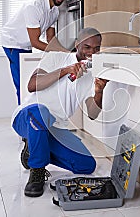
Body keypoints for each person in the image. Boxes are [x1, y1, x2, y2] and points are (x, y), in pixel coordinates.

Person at [11, 27, 108, 197]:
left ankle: (33, 149)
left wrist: (99, 91)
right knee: (41, 112)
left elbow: (93, 114)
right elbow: (32, 85)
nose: (92, 53)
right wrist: (65, 70)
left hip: (55, 128)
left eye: (97, 48)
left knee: (86, 165)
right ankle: (37, 171)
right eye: (87, 47)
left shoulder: (92, 73)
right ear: (77, 44)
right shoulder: (56, 57)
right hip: (28, 116)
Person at [2, 0, 76, 105]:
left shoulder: (54, 11)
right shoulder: (34, 7)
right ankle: (23, 117)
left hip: (26, 44)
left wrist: (66, 53)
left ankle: (30, 112)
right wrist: (58, 52)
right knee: (23, 84)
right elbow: (35, 42)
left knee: (28, 80)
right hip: (13, 43)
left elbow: (51, 40)